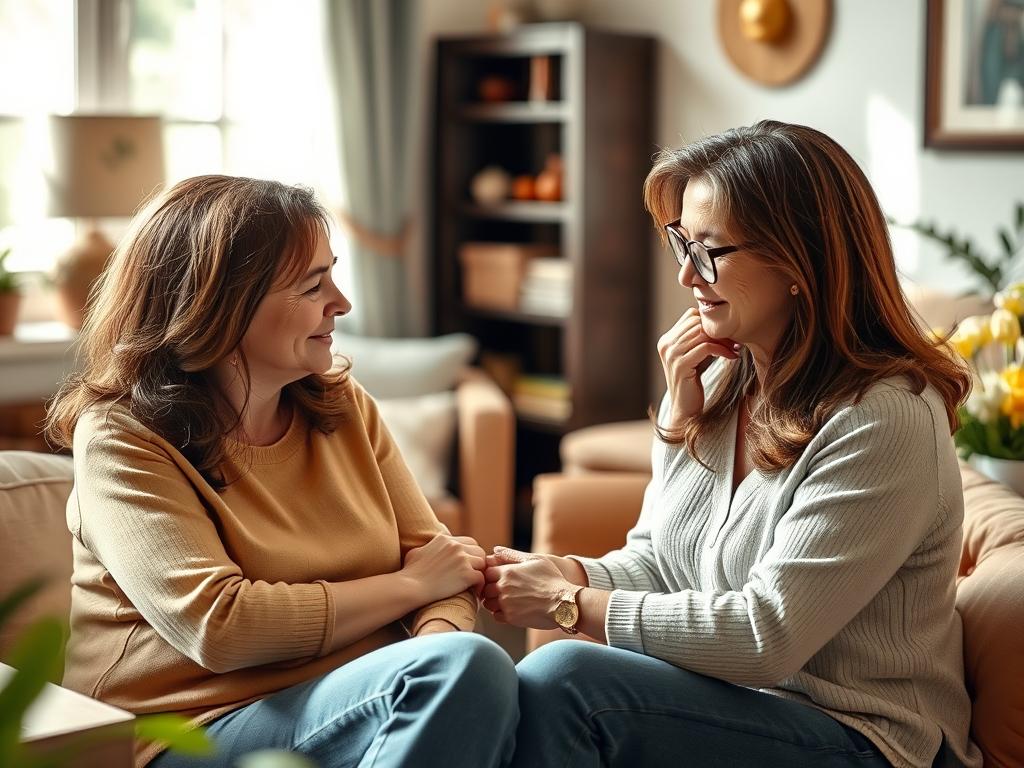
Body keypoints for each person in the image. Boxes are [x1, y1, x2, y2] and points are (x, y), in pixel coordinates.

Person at [482, 120, 982, 768]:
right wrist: (565, 572)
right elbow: (661, 566)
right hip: (745, 706)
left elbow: (764, 634)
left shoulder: (886, 419)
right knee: (554, 676)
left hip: (868, 737)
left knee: (568, 682)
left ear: (799, 260)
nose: (689, 276)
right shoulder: (716, 379)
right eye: (680, 244)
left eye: (710, 251)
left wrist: (568, 605)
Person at [45, 175, 518, 768]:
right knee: (469, 671)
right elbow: (219, 627)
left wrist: (431, 652)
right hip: (190, 729)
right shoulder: (121, 438)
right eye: (313, 285)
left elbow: (443, 567)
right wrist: (410, 590)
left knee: (534, 683)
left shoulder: (344, 405)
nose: (341, 302)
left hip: (363, 699)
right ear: (221, 304)